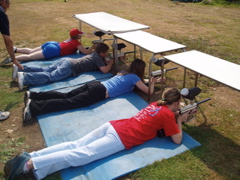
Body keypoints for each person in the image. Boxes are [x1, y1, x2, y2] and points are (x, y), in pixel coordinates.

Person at [4, 88, 197, 180]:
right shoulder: (167, 114)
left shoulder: (156, 104)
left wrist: (175, 116)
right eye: (178, 105)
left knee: (75, 145)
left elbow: (158, 120)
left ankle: (32, 156)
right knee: (82, 155)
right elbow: (177, 140)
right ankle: (31, 164)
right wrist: (179, 120)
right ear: (175, 104)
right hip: (121, 137)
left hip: (113, 126)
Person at [22, 59, 161, 122]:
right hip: (99, 92)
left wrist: (149, 81)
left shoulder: (125, 72)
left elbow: (138, 83)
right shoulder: (135, 78)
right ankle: (34, 107)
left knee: (66, 95)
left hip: (95, 84)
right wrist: (153, 83)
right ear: (141, 71)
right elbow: (149, 92)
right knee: (69, 102)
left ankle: (34, 95)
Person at [13, 43, 113, 90]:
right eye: (106, 53)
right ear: (101, 53)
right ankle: (25, 78)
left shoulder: (95, 55)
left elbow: (103, 61)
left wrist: (109, 60)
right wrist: (112, 62)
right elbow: (104, 70)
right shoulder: (98, 58)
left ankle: (21, 68)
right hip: (70, 67)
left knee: (46, 69)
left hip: (67, 60)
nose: (107, 54)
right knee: (51, 76)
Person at [0, 28, 97, 65]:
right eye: (80, 34)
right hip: (54, 49)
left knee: (31, 51)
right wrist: (93, 46)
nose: (81, 36)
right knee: (31, 57)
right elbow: (85, 52)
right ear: (77, 36)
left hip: (53, 43)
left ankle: (16, 49)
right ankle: (13, 58)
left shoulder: (71, 39)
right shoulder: (77, 43)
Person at [0, 0, 23, 69]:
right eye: (7, 7)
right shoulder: (1, 14)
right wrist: (14, 60)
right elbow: (8, 41)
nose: (6, 10)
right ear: (3, 2)